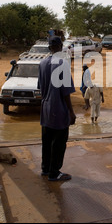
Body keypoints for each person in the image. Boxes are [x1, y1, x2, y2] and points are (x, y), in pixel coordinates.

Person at [38, 36, 76, 182]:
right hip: (59, 109)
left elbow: (40, 88)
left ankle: (45, 168)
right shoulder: (63, 63)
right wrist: (71, 112)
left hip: (45, 109)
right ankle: (54, 173)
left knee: (47, 141)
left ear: (49, 48)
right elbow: (66, 91)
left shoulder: (42, 63)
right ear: (61, 47)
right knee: (59, 143)